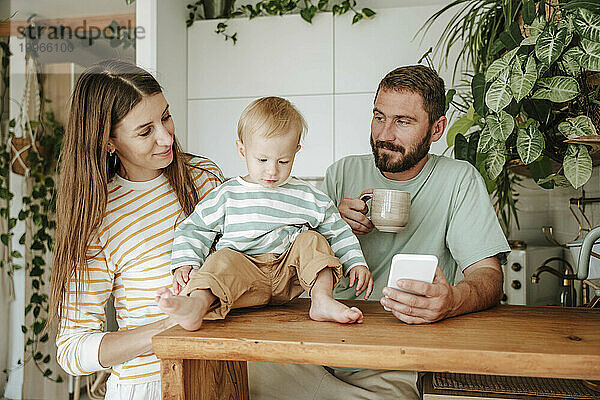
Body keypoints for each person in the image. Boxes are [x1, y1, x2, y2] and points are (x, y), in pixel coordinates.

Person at [249, 65, 510, 400]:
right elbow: (283, 266)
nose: (385, 133)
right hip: (319, 346)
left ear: (436, 129)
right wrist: (328, 226)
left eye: (403, 121)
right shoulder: (343, 171)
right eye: (379, 116)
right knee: (246, 372)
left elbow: (488, 275)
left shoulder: (459, 180)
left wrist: (452, 301)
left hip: (394, 360)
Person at [49, 60, 223, 400]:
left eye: (166, 117)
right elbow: (72, 349)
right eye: (145, 131)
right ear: (108, 141)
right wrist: (168, 326)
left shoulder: (203, 178)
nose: (165, 136)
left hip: (221, 372)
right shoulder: (99, 217)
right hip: (148, 386)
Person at [155, 96, 373, 330]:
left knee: (313, 239)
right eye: (262, 159)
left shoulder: (307, 195)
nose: (272, 170)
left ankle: (321, 300)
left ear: (296, 151)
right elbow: (195, 228)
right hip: (243, 278)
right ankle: (196, 306)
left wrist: (355, 262)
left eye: (283, 161)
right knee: (221, 259)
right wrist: (186, 262)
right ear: (242, 150)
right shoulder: (227, 195)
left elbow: (337, 230)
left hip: (287, 275)